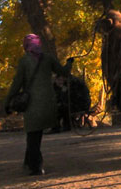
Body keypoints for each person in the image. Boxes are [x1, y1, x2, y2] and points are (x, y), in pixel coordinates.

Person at [4, 34, 71, 175]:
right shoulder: (48, 58)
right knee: (36, 134)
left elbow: (17, 83)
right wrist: (70, 63)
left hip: (32, 103)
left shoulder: (24, 61)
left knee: (33, 134)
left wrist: (8, 100)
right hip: (48, 101)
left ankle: (36, 166)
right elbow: (63, 72)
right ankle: (29, 162)